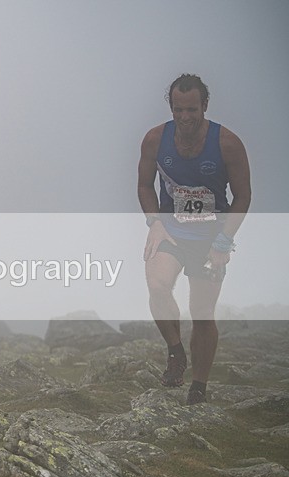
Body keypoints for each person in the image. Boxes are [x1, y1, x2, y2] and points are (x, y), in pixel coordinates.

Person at [137, 74, 251, 405]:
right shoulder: (155, 140)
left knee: (201, 312)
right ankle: (176, 353)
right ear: (171, 107)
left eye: (191, 110)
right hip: (170, 232)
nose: (184, 117)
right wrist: (154, 222)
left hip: (211, 238)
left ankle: (198, 388)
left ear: (204, 105)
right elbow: (144, 185)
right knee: (157, 285)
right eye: (178, 110)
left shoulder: (228, 143)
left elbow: (243, 196)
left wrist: (223, 242)